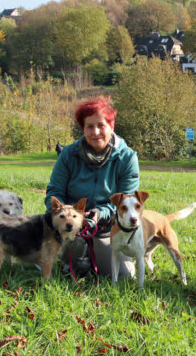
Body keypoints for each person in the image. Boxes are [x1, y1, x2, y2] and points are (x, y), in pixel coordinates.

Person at [45, 96, 138, 278]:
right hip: (71, 226)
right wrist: (68, 214)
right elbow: (54, 192)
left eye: (101, 125)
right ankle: (73, 262)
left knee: (123, 277)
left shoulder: (127, 157)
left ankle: (95, 255)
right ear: (83, 128)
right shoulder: (68, 154)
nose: (95, 132)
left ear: (111, 126)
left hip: (108, 228)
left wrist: (100, 213)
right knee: (75, 272)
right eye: (89, 126)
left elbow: (128, 201)